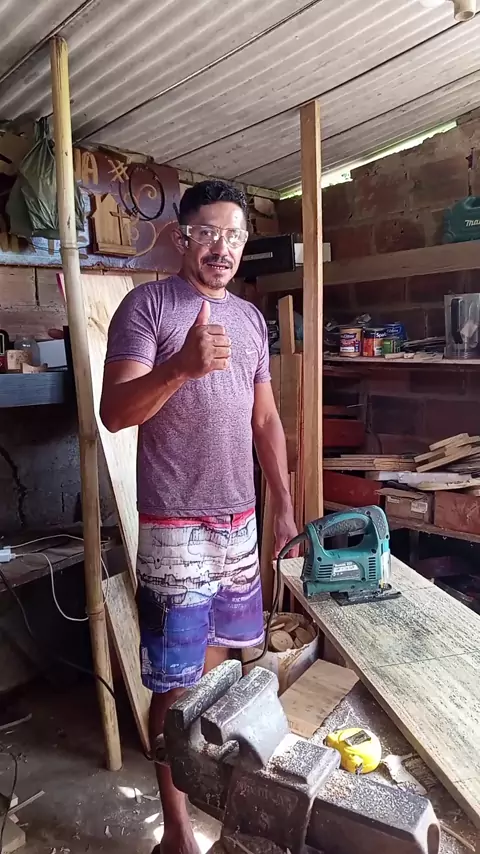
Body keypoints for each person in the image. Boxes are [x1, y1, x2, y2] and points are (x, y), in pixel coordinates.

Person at [100, 179, 298, 854]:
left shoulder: (249, 320)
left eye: (233, 235)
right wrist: (181, 367)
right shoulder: (148, 307)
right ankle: (177, 831)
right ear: (182, 238)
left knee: (216, 674)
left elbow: (265, 420)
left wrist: (284, 508)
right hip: (175, 525)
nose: (221, 247)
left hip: (239, 522)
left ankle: (206, 800)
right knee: (176, 684)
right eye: (208, 233)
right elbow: (116, 413)